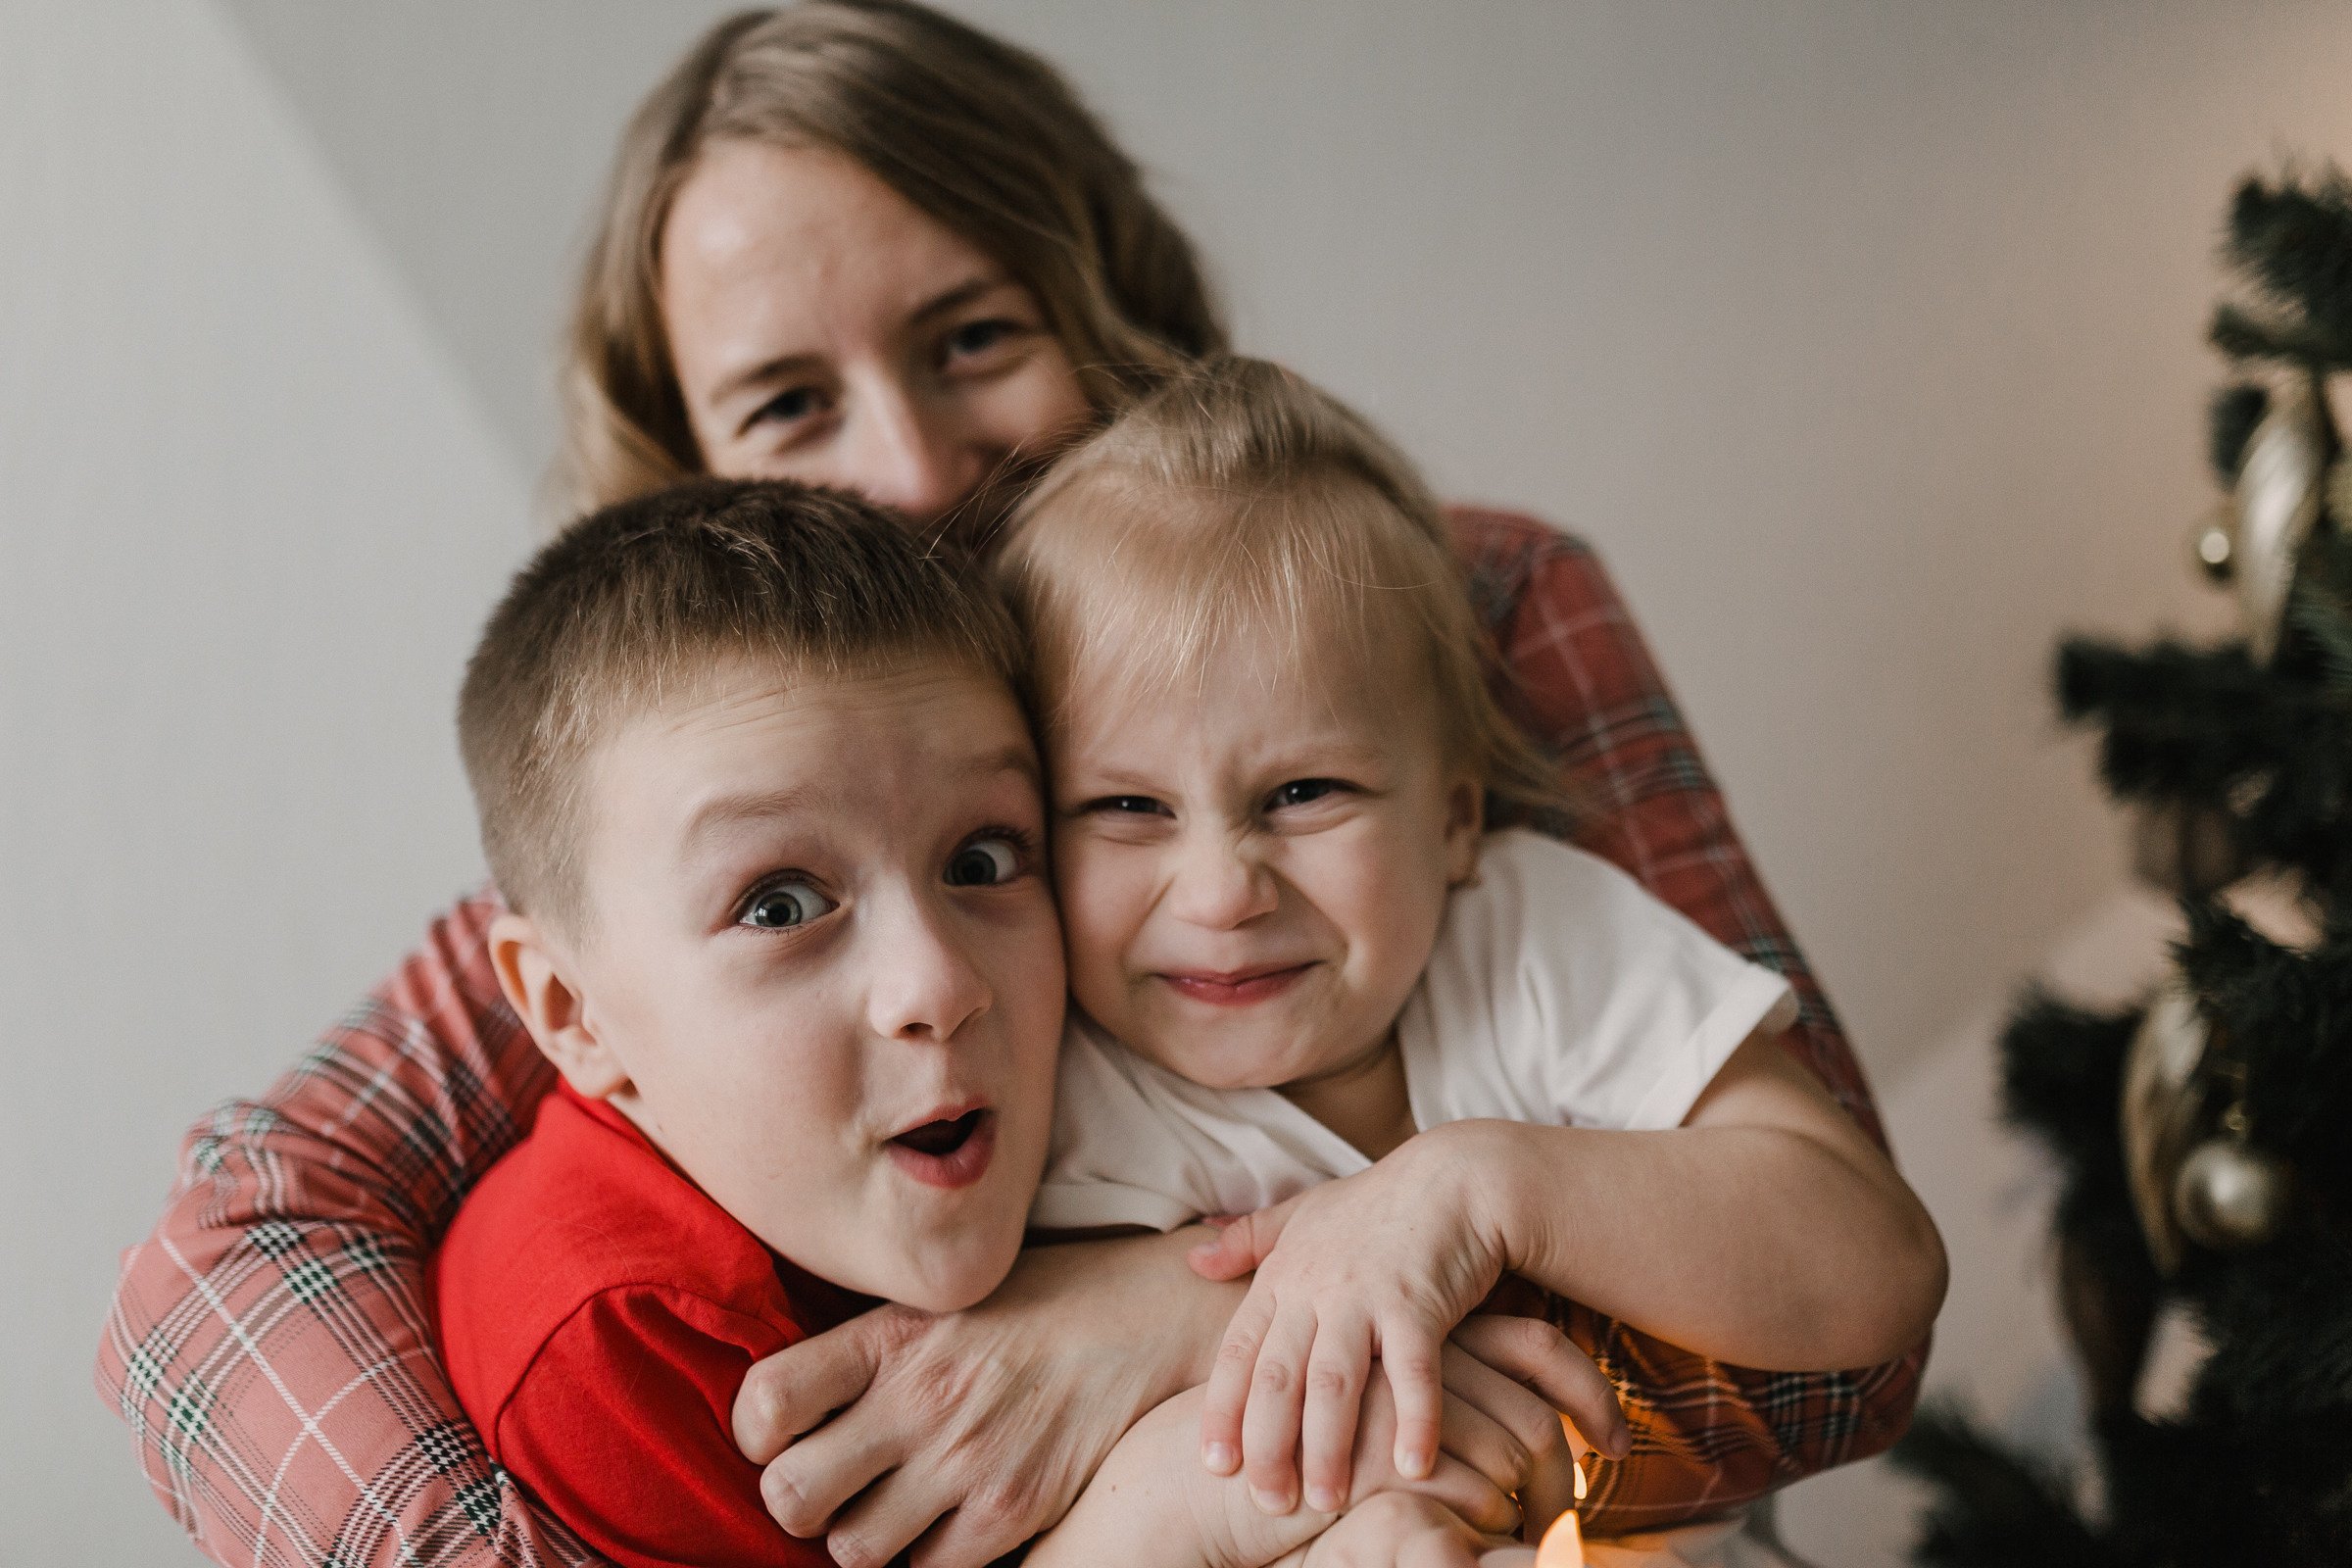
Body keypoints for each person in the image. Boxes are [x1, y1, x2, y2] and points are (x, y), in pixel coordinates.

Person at [95, 5, 1923, 1566]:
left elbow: (1849, 1351)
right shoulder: (711, 832)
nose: (910, 469)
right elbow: (216, 1271)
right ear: (690, 472)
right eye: (788, 407)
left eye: (973, 337)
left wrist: (1189, 1321)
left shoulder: (1463, 603)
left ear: (1106, 306)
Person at [428, 478, 1560, 1568]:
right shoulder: (617, 1340)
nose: (938, 982)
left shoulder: (1080, 1041)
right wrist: (1171, 1505)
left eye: (981, 859)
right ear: (572, 1012)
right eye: (778, 904)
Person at [998, 358, 1944, 1555]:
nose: (1224, 889)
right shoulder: (1058, 1097)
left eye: (1304, 791)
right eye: (1125, 808)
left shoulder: (1530, 934)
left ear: (1452, 820)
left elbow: (1882, 1267)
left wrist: (1480, 1187)